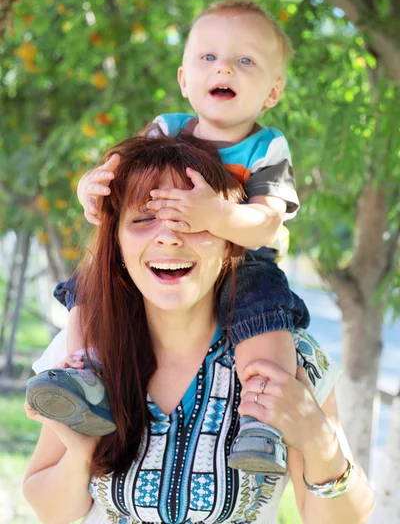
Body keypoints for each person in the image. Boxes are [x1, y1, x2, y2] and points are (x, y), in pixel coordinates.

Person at [24, 134, 374, 524]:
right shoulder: (84, 351)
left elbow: (344, 519)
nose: (168, 236)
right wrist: (79, 453)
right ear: (117, 243)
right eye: (142, 219)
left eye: (191, 221)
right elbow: (51, 511)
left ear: (231, 243)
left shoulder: (285, 356)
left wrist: (318, 440)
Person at [27, 0, 310, 475]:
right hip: (174, 249)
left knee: (265, 311)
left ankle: (263, 419)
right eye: (209, 57)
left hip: (243, 259)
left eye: (246, 60)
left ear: (272, 92)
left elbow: (266, 223)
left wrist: (216, 213)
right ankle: (84, 372)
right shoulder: (165, 129)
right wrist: (89, 187)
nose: (225, 68)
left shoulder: (267, 145)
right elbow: (115, 176)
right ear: (184, 80)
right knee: (91, 280)